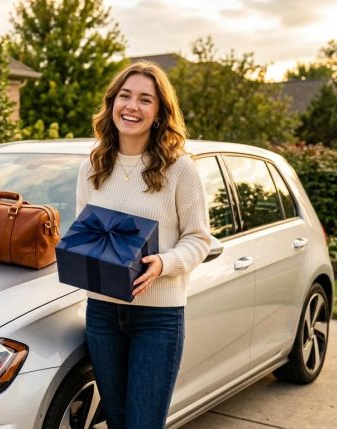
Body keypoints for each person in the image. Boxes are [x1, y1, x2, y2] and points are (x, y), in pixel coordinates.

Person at [75, 61, 211, 428]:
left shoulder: (180, 169)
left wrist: (163, 263)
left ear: (159, 113)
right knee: (117, 420)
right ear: (112, 103)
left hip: (158, 316)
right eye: (125, 96)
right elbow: (85, 234)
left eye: (145, 99)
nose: (132, 106)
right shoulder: (92, 165)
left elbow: (199, 238)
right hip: (102, 313)